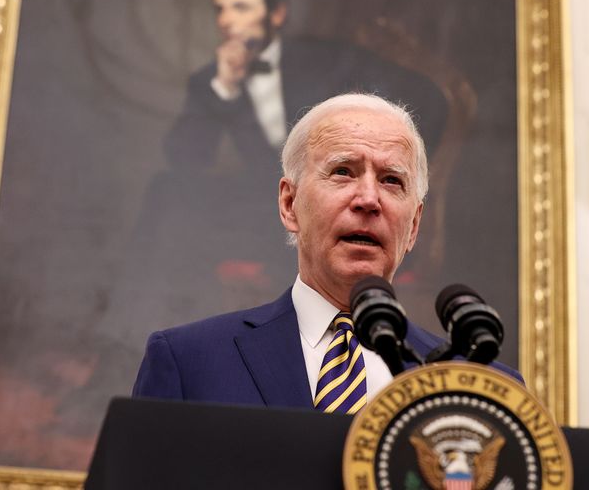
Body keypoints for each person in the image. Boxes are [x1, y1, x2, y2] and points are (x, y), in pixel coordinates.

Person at [133, 93, 521, 409]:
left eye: (391, 180)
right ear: (289, 204)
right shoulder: (189, 362)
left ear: (414, 225)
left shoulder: (485, 390)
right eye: (343, 172)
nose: (369, 199)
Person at [165, 0, 449, 180]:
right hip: (257, 215)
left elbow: (426, 99)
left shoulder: (330, 59)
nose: (226, 20)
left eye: (240, 8)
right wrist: (225, 87)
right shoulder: (209, 82)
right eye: (220, 9)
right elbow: (185, 162)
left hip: (335, 197)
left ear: (276, 14)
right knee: (163, 192)